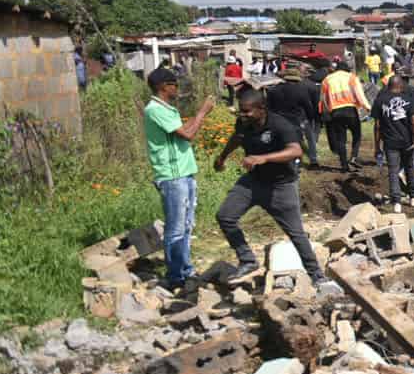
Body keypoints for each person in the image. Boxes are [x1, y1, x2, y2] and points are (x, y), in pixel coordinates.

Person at [213, 88, 340, 294]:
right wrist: (222, 157)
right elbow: (237, 138)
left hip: (281, 186)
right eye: (241, 111)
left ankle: (317, 276)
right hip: (253, 182)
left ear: (261, 109)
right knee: (225, 216)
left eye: (246, 112)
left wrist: (263, 158)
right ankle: (247, 260)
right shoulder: (243, 123)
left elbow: (296, 150)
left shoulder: (280, 125)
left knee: (296, 233)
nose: (242, 116)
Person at [144, 67, 216, 291]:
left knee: (186, 225)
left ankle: (185, 269)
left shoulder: (168, 109)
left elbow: (183, 131)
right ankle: (176, 276)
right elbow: (187, 134)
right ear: (163, 87)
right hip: (172, 176)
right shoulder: (155, 109)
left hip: (184, 174)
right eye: (174, 84)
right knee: (175, 228)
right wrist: (202, 112)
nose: (177, 87)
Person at [372, 74, 414, 210]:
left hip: (390, 142)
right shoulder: (409, 99)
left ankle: (396, 202)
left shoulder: (380, 100)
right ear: (400, 85)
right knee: (409, 168)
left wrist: (377, 146)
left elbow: (377, 125)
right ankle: (413, 197)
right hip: (407, 141)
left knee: (393, 170)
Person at [319, 57, 370, 172]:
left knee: (341, 139)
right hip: (351, 110)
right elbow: (359, 94)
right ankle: (353, 156)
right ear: (347, 69)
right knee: (357, 134)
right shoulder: (351, 77)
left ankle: (343, 165)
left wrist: (324, 112)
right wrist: (367, 107)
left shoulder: (327, 79)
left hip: (336, 112)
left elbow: (323, 99)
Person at [268, 64, 321, 169]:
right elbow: (308, 107)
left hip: (279, 121)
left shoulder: (273, 90)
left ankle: (284, 163)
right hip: (297, 121)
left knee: (283, 143)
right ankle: (307, 162)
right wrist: (310, 119)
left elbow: (269, 107)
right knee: (302, 141)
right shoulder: (301, 90)